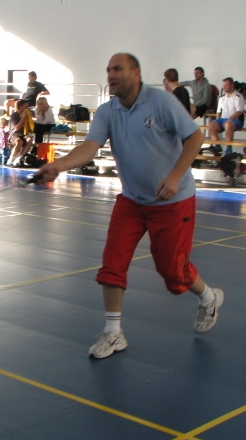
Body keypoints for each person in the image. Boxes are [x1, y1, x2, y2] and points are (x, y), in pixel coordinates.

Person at [33, 53, 223, 359]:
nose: (111, 74)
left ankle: (209, 297)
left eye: (118, 69)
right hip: (132, 201)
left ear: (136, 73)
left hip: (172, 200)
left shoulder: (161, 102)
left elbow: (195, 137)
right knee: (112, 263)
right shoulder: (107, 111)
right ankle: (113, 333)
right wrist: (57, 166)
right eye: (108, 69)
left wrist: (175, 176)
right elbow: (89, 147)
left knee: (174, 272)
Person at [207, 77, 245, 157]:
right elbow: (218, 112)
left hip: (235, 120)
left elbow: (239, 111)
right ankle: (217, 145)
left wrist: (229, 119)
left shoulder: (238, 96)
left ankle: (229, 147)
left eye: (226, 85)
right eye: (223, 85)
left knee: (228, 124)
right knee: (211, 125)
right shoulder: (222, 98)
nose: (224, 87)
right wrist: (217, 122)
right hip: (223, 119)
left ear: (232, 85)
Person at [6, 99, 34, 166]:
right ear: (20, 107)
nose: (27, 108)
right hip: (14, 134)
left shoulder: (28, 115)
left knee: (30, 140)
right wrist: (23, 118)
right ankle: (11, 158)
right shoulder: (14, 115)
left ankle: (19, 157)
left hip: (23, 134)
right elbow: (16, 128)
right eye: (25, 107)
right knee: (19, 141)